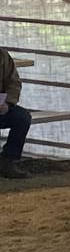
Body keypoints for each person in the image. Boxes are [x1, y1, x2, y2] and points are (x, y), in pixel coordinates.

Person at [0, 47, 32, 179]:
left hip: (1, 106)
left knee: (22, 117)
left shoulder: (2, 55)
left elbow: (14, 83)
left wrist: (7, 103)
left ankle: (7, 160)